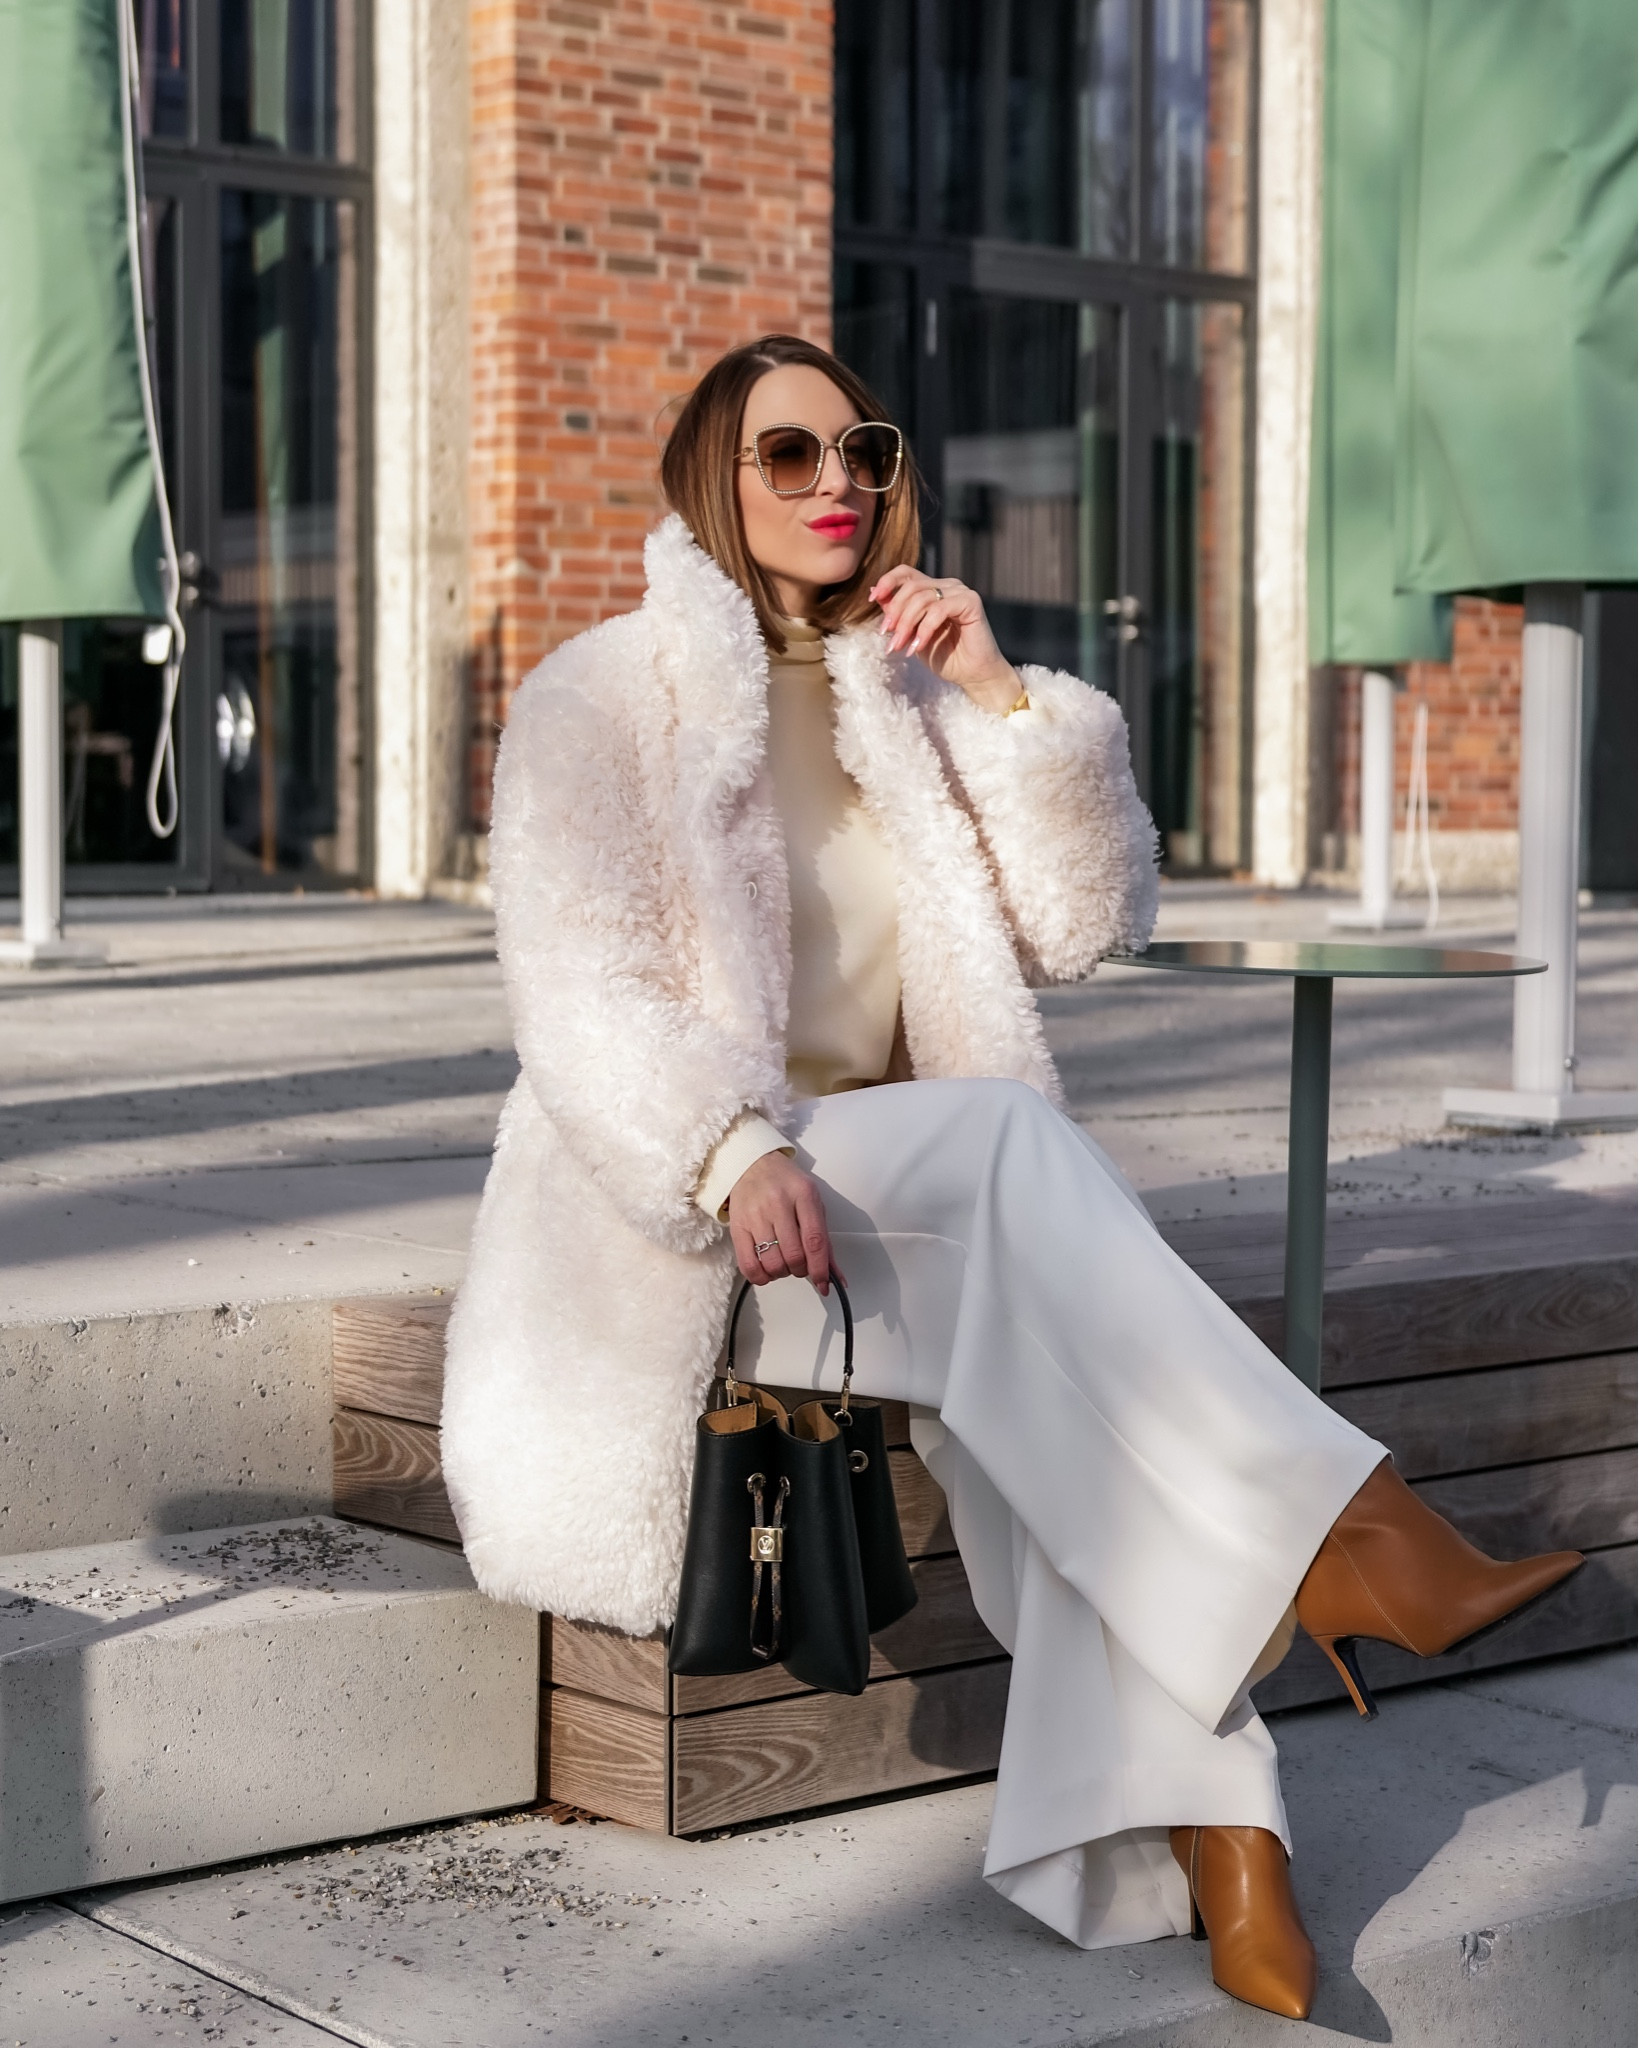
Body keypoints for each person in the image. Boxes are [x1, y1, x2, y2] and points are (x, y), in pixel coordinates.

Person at [441, 334, 1581, 2021]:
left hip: (915, 1218)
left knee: (1070, 1407)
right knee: (1009, 1150)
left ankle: (1228, 1842)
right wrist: (726, 1139)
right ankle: (1345, 1541)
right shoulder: (600, 696)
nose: (840, 484)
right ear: (713, 477)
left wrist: (998, 697)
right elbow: (575, 984)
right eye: (790, 456)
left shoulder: (899, 700)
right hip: (697, 1233)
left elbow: (1082, 926)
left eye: (864, 451)